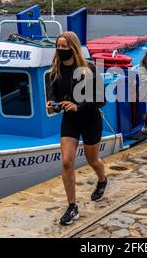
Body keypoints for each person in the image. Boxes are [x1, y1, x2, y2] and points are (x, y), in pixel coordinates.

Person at [47, 31, 107, 226]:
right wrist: (52, 105)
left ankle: (102, 179)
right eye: (58, 46)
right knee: (66, 162)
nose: (61, 49)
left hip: (90, 119)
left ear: (73, 47)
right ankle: (72, 207)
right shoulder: (54, 72)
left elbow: (101, 100)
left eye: (64, 46)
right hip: (70, 121)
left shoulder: (87, 70)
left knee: (92, 160)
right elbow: (54, 97)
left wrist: (78, 106)